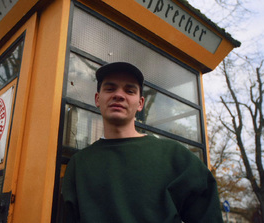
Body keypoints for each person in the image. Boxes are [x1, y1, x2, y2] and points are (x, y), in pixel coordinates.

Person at [61, 62, 224, 223]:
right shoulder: (79, 164)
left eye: (129, 90)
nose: (119, 95)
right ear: (97, 99)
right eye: (110, 89)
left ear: (140, 104)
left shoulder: (174, 156)